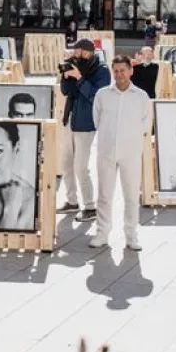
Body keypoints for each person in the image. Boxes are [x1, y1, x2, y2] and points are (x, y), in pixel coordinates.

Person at [92, 55, 152, 250]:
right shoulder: (102, 94)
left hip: (131, 152)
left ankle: (131, 235)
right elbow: (96, 119)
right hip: (106, 151)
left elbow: (146, 122)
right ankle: (102, 232)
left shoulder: (141, 96)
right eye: (116, 71)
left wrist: (131, 136)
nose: (119, 74)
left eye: (123, 70)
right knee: (104, 194)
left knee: (132, 196)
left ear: (130, 71)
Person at [59, 39, 111, 219]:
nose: (76, 54)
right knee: (65, 164)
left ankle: (89, 207)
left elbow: (97, 97)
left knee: (80, 167)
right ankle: (72, 202)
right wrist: (66, 77)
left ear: (89, 52)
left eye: (80, 51)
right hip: (69, 120)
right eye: (75, 51)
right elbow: (66, 92)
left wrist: (80, 78)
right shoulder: (75, 65)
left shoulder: (101, 70)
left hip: (86, 124)